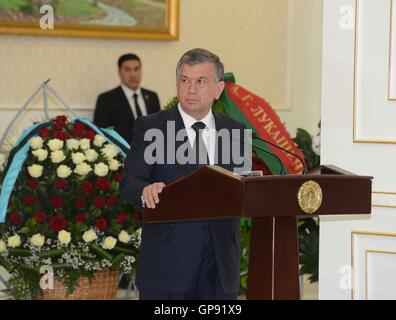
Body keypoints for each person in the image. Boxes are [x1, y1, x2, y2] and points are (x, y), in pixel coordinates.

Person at [120, 48, 249, 300]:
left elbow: (243, 188)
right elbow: (129, 182)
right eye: (184, 80)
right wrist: (145, 191)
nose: (191, 89)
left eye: (201, 81)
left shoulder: (235, 131)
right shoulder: (151, 128)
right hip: (168, 267)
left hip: (220, 270)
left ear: (218, 88)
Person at [93, 53, 161, 144]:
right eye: (127, 70)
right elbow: (100, 134)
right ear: (119, 72)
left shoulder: (152, 97)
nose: (133, 74)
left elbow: (159, 128)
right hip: (122, 155)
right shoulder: (106, 99)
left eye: (136, 69)